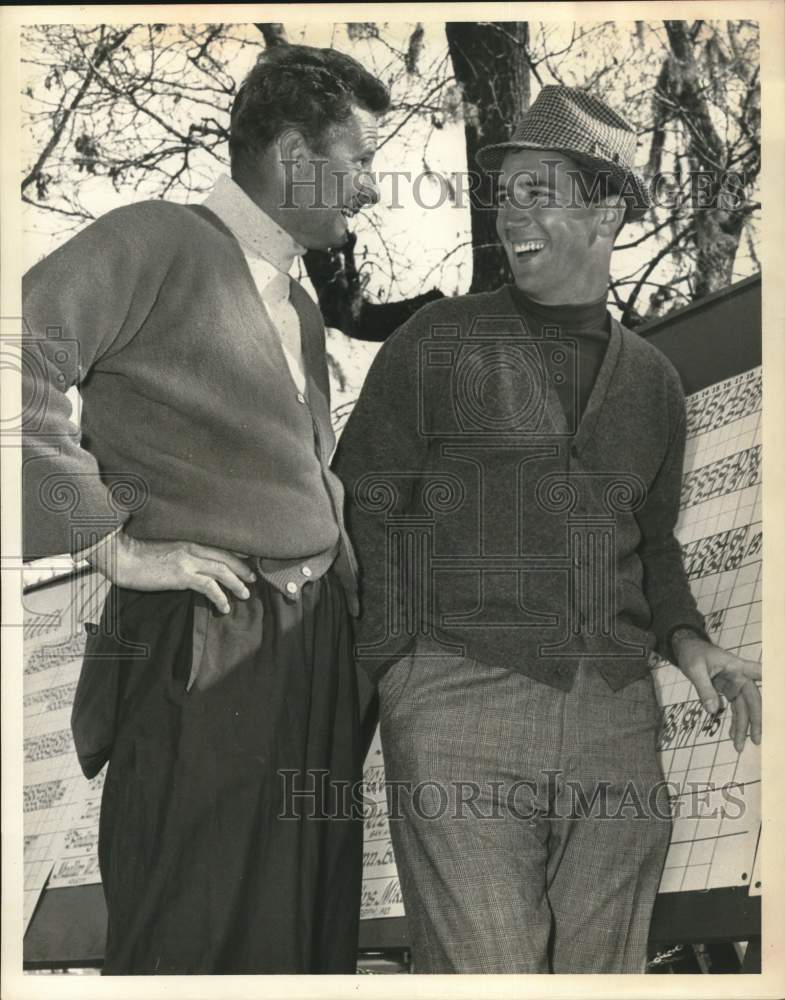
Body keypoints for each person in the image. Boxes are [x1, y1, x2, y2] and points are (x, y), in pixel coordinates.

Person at [333, 86, 762, 974]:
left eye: (539, 190)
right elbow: (361, 505)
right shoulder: (436, 339)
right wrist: (401, 674)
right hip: (459, 706)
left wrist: (689, 645)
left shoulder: (651, 382)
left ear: (605, 209)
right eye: (505, 192)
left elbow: (652, 541)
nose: (509, 214)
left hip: (615, 718)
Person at [22, 44, 389, 974]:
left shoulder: (302, 309)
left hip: (307, 660)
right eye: (359, 164)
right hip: (204, 642)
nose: (373, 191)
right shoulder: (153, 238)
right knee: (195, 945)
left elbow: (292, 476)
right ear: (293, 154)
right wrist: (109, 544)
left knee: (303, 949)